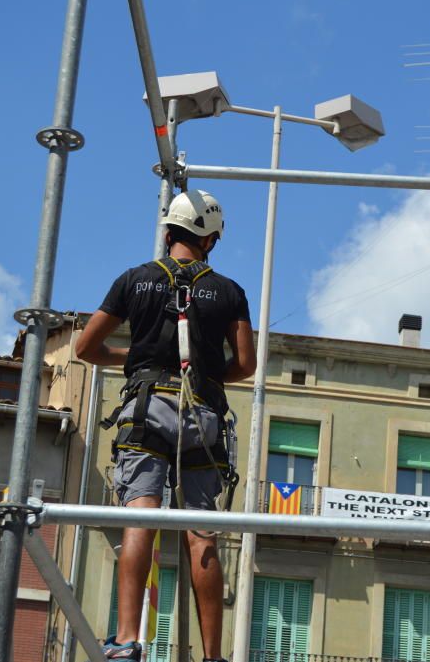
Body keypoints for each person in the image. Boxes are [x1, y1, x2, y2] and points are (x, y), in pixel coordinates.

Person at [76, 189, 256, 662]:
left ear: (169, 231)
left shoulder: (134, 280)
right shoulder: (229, 291)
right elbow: (245, 363)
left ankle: (128, 639)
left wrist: (133, 361)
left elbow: (85, 348)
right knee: (201, 530)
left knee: (142, 514)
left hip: (147, 406)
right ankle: (213, 654)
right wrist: (207, 372)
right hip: (203, 410)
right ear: (210, 240)